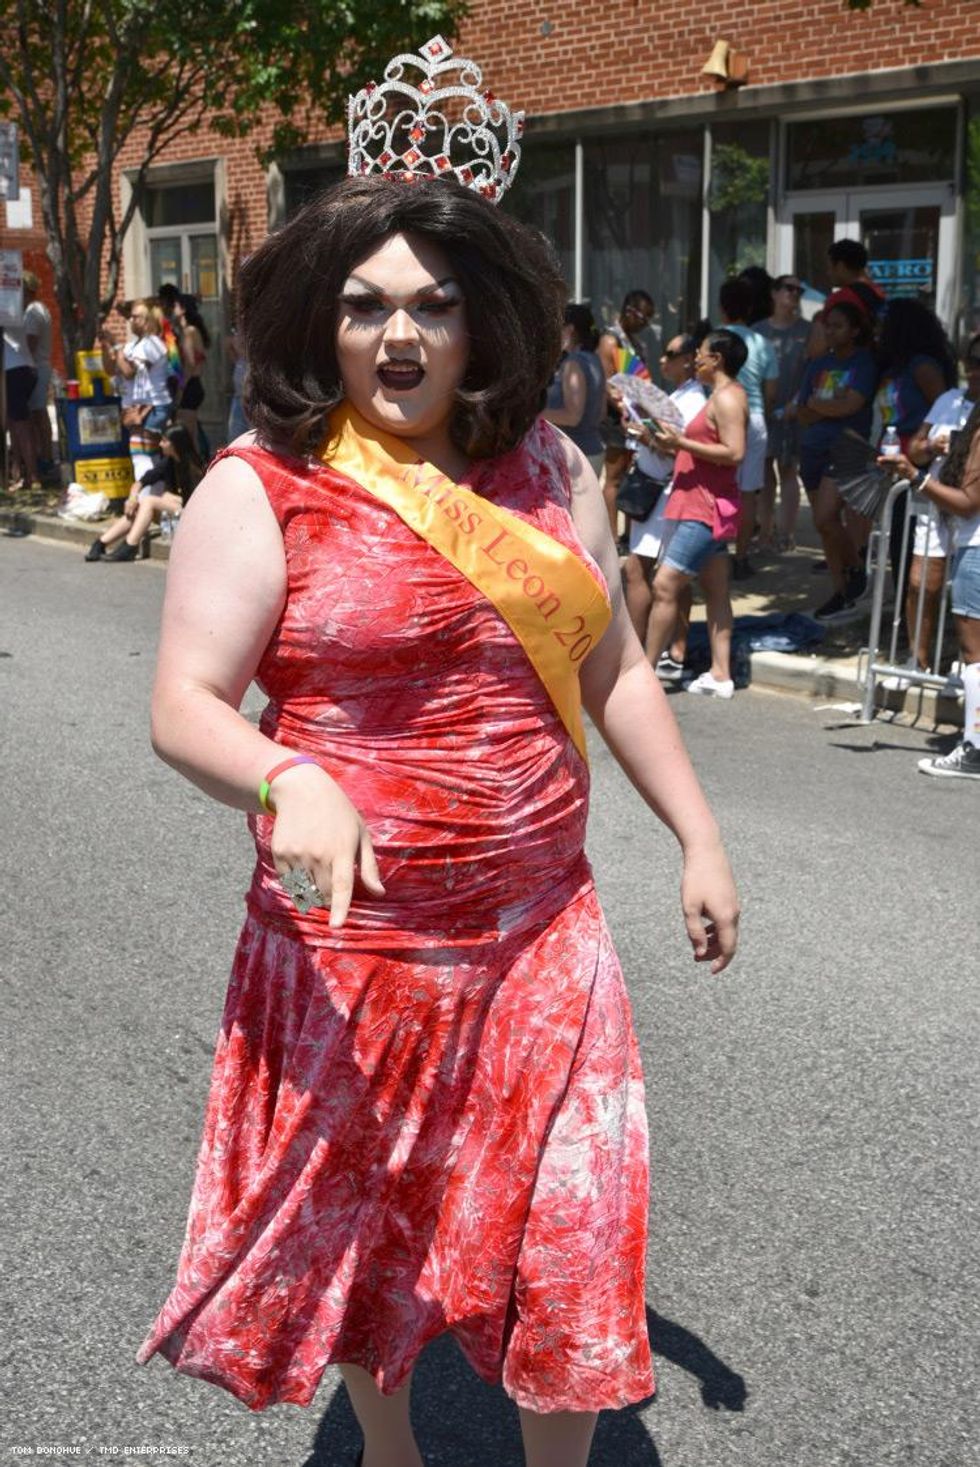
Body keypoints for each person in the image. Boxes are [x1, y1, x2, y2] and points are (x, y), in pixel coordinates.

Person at [135, 171, 739, 1467]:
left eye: (432, 303)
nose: (396, 335)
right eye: (363, 306)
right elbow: (185, 701)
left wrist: (698, 834)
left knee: (575, 1230)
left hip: (544, 935)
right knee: (371, 1228)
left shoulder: (552, 469)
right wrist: (287, 775)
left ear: (486, 321)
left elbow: (615, 668)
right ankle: (394, 1448)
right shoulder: (264, 486)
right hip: (364, 956)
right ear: (321, 322)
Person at [643, 329, 748, 699]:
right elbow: (704, 448)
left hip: (705, 510)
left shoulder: (728, 399)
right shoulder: (719, 397)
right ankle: (721, 675)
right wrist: (665, 439)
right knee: (716, 590)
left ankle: (644, 673)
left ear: (717, 359)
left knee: (664, 585)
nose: (696, 360)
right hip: (704, 506)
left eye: (701, 354)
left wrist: (681, 442)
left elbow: (734, 452)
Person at [881, 401, 980, 779]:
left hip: (976, 551)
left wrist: (916, 476)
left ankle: (974, 750)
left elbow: (969, 504)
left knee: (975, 656)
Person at [621, 334, 707, 665]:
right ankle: (674, 649)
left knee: (641, 572)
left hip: (666, 492)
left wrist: (645, 434)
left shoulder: (693, 400)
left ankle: (639, 655)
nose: (662, 360)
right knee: (673, 577)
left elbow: (678, 449)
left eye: (669, 354)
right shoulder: (682, 395)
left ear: (688, 359)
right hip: (658, 489)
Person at [899, 334, 980, 671]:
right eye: (969, 364)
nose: (972, 372)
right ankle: (918, 661)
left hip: (967, 509)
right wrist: (932, 448)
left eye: (978, 365)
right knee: (921, 582)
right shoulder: (949, 399)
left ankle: (968, 666)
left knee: (967, 600)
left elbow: (969, 501)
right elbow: (915, 448)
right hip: (936, 497)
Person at [793, 300, 878, 622]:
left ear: (855, 331)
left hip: (846, 450)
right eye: (827, 325)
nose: (830, 331)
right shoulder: (817, 365)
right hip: (812, 449)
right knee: (825, 528)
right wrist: (830, 404)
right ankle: (841, 589)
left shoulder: (864, 363)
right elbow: (802, 411)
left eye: (838, 325)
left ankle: (856, 567)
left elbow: (852, 405)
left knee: (826, 516)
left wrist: (822, 405)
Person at [874, 297, 957, 621]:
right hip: (893, 463)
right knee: (899, 543)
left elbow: (944, 412)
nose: (879, 330)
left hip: (921, 465)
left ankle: (918, 621)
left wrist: (926, 450)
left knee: (914, 546)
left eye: (885, 323)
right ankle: (903, 616)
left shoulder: (923, 366)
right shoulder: (893, 366)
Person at [718, 277, 778, 580]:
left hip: (720, 418)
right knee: (749, 491)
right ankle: (741, 558)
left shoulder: (714, 340)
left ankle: (714, 556)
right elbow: (770, 393)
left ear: (721, 307)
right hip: (754, 418)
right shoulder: (762, 344)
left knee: (716, 487)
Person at [83, 423, 204, 562]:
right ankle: (101, 543)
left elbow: (194, 503)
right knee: (138, 505)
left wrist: (167, 497)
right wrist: (132, 498)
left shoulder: (194, 468)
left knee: (149, 501)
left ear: (175, 444)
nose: (160, 444)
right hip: (176, 511)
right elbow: (141, 482)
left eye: (164, 441)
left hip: (192, 515)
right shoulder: (168, 462)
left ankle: (130, 545)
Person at [755, 276, 811, 551]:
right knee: (764, 474)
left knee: (789, 470)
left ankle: (786, 534)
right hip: (763, 414)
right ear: (774, 293)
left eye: (799, 290)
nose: (795, 294)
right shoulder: (758, 331)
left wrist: (798, 403)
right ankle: (764, 532)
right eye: (789, 289)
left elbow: (814, 372)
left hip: (794, 412)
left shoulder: (809, 331)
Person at [597, 289, 655, 541]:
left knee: (634, 474)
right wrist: (622, 408)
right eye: (644, 316)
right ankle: (611, 537)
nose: (646, 323)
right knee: (615, 478)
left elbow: (639, 381)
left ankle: (630, 535)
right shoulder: (611, 340)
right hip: (615, 420)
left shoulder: (635, 341)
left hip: (635, 418)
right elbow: (606, 382)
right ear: (629, 311)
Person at [542, 302, 606, 476]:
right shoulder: (595, 360)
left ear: (570, 330)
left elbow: (572, 416)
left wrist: (532, 415)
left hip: (576, 456)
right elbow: (601, 413)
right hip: (593, 451)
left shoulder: (573, 363)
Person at [99, 299, 172, 437]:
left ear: (147, 321)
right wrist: (105, 345)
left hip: (153, 408)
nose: (130, 320)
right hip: (135, 409)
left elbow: (129, 372)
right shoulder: (131, 346)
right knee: (139, 455)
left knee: (146, 455)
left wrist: (116, 345)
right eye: (130, 317)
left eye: (135, 317)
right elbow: (110, 370)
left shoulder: (153, 344)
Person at [808, 239, 887, 359]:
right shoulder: (880, 293)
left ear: (840, 266)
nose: (828, 273)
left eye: (829, 267)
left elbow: (818, 349)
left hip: (850, 367)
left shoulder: (840, 298)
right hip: (875, 362)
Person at [22, 270, 54, 477]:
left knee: (37, 414)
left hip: (36, 366)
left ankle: (45, 457)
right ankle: (44, 454)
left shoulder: (33, 312)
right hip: (40, 365)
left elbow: (30, 343)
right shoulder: (39, 309)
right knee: (37, 415)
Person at [3, 321, 38, 490]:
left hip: (12, 370)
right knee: (15, 422)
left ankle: (32, 476)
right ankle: (17, 471)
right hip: (26, 367)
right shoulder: (12, 310)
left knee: (20, 425)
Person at [173, 291, 211, 448]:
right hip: (194, 385)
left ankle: (195, 469)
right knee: (191, 433)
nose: (172, 309)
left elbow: (190, 363)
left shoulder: (189, 332)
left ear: (182, 309)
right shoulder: (190, 331)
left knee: (187, 437)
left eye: (175, 306)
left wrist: (181, 387)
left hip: (190, 386)